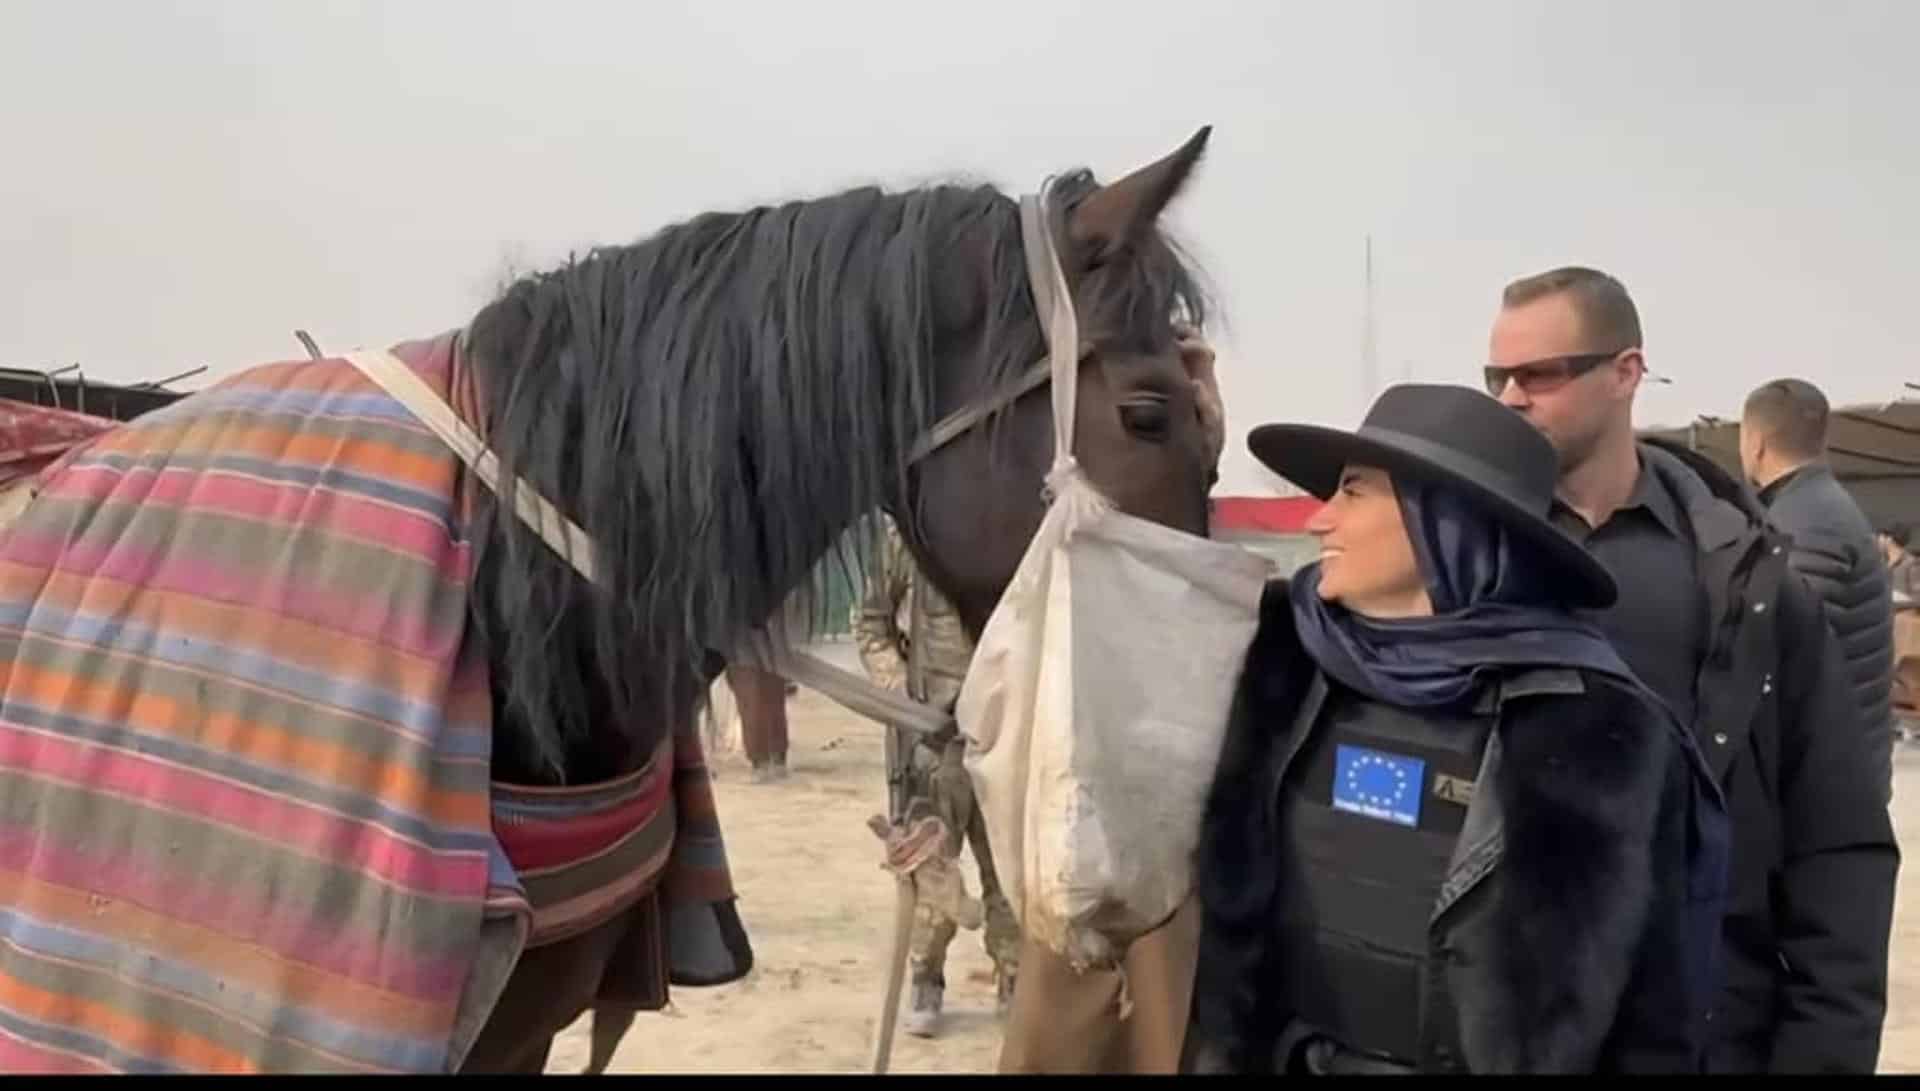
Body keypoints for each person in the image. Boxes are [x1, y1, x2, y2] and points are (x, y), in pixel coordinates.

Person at [1181, 383, 1726, 1074]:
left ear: (1443, 517)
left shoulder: (1595, 726)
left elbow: (1656, 1016)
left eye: (1353, 492)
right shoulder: (1282, 665)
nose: (1321, 520)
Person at [1485, 266, 1898, 1073]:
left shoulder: (1747, 580)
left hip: (1703, 1032)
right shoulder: (1463, 558)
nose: (1509, 398)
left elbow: (1838, 844)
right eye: (1496, 376)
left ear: (1626, 373)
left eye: (1539, 374)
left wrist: (1823, 1050)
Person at [852, 513, 1020, 1037]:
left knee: (1012, 873)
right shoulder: (909, 532)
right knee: (930, 867)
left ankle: (1015, 977)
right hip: (929, 739)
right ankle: (927, 978)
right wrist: (901, 694)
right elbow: (871, 624)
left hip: (1004, 733)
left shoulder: (1020, 527)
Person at [1740, 378, 1896, 781]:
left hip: (1831, 776)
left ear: (1755, 442)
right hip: (1848, 757)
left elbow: (1785, 645)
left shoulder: (1803, 520)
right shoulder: (1819, 504)